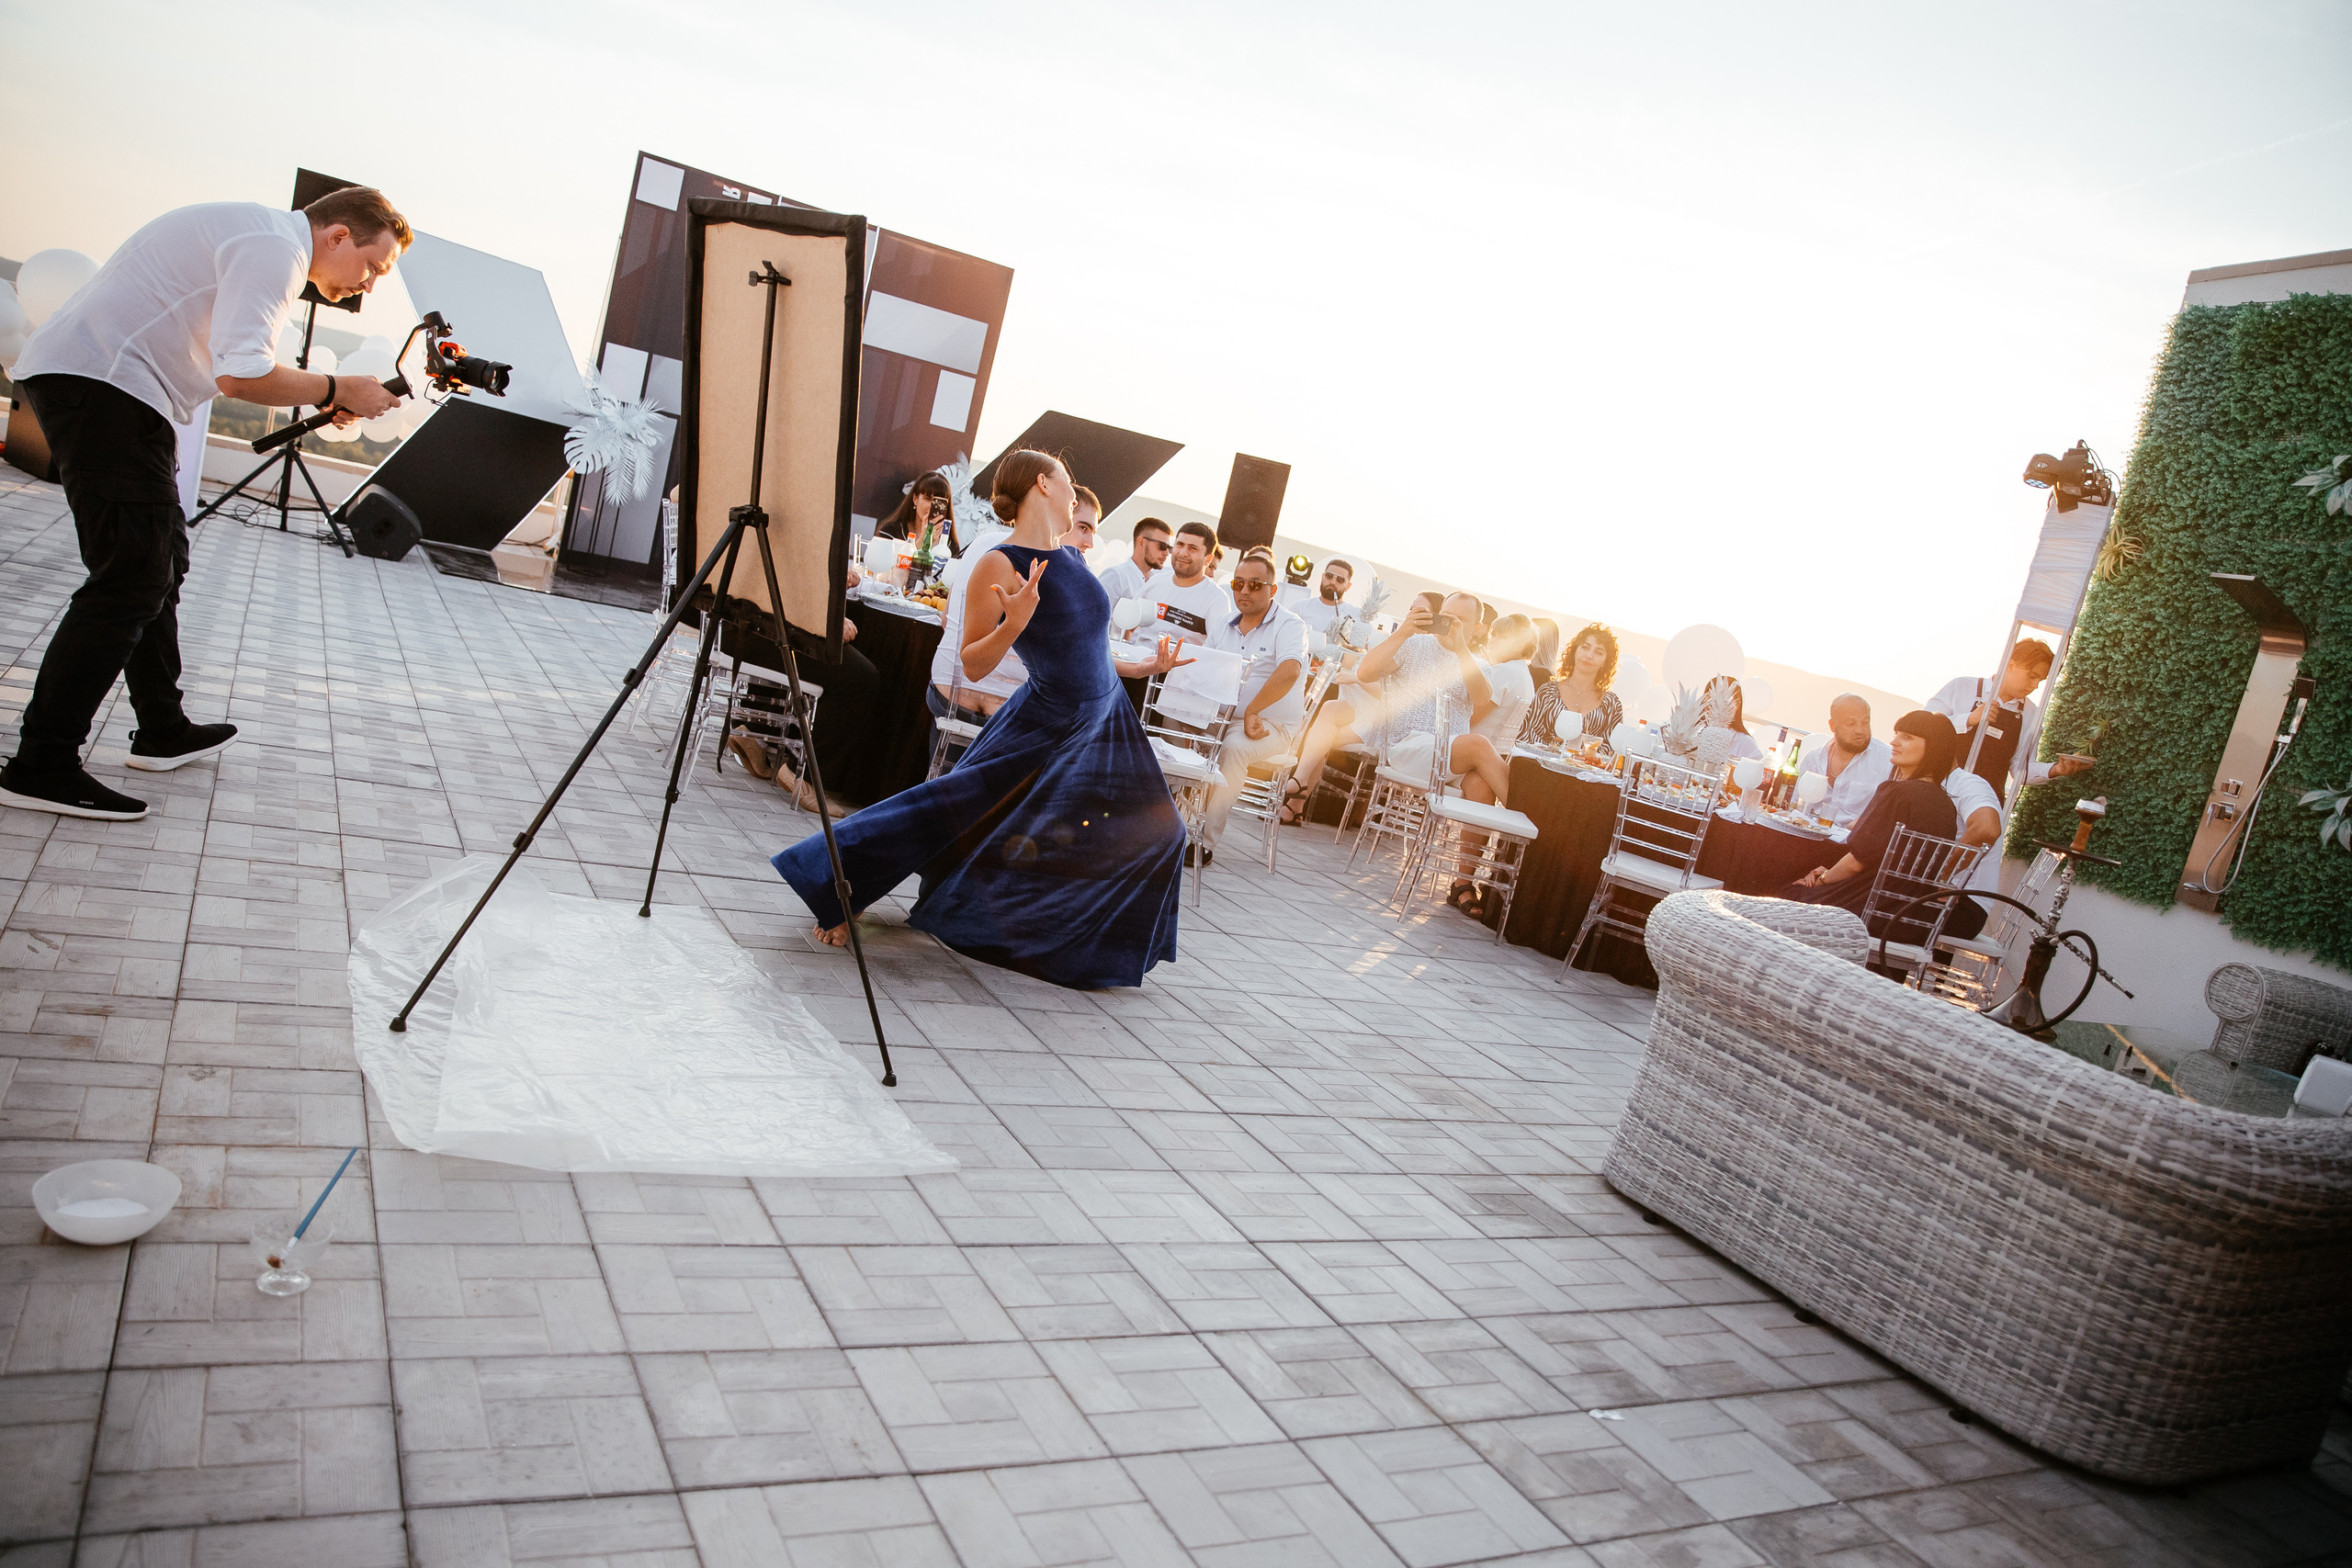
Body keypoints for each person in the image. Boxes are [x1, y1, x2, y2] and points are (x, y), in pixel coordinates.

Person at [0, 188, 409, 820]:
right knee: (130, 576)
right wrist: (339, 385)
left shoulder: (263, 236)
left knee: (162, 561)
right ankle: (40, 763)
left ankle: (161, 729)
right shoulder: (276, 249)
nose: (370, 284)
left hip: (121, 390)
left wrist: (327, 392)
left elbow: (238, 362)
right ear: (337, 236)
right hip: (104, 384)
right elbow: (243, 377)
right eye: (374, 266)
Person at [773, 451, 1190, 987]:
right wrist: (1013, 625)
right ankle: (834, 883)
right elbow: (973, 660)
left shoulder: (1071, 558)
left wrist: (1143, 665)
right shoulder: (1001, 562)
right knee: (949, 809)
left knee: (1163, 834)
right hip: (1052, 722)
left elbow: (1087, 647)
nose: (1073, 494)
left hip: (1108, 721)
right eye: (1069, 482)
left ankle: (1081, 941)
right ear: (1044, 484)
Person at [1288, 590, 1510, 832]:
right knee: (1478, 744)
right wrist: (1404, 631)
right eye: (1446, 616)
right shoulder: (1414, 645)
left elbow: (1481, 698)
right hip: (1407, 745)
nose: (1450, 623)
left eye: (1460, 620)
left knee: (1482, 786)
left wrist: (1461, 650)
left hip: (1446, 757)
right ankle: (1529, 822)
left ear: (1477, 628)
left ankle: (1479, 868)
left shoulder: (1478, 665)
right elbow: (1365, 673)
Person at [1779, 710, 1962, 932]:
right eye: (1897, 734)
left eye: (1907, 737)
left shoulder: (1897, 792)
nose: (1894, 742)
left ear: (1933, 748)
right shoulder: (1947, 807)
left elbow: (1857, 862)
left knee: (1785, 893)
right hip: (1909, 920)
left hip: (1865, 910)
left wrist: (1824, 878)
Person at [1197, 550, 1309, 863]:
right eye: (1238, 583)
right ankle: (1170, 825)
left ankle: (1203, 841)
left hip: (1270, 724)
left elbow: (1290, 671)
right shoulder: (1221, 623)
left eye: (1255, 585)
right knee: (1169, 727)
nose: (1244, 591)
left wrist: (1252, 711)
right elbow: (1204, 667)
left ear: (1273, 590)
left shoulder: (1289, 625)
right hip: (1220, 715)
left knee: (1233, 749)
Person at [1927, 638, 2090, 801]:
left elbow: (2021, 769)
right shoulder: (1961, 687)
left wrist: (2056, 769)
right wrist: (1969, 719)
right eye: (2032, 676)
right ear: (2010, 665)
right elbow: (1921, 727)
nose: (2035, 686)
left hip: (1984, 803)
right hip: (1935, 791)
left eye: (2040, 680)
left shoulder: (2031, 714)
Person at [1518, 622, 1623, 747]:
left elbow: (1612, 748)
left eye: (1598, 652)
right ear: (1574, 651)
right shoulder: (1547, 692)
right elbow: (1526, 735)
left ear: (1606, 662)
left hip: (1586, 766)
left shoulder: (1611, 704)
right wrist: (1552, 747)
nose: (1589, 655)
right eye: (1585, 647)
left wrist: (1582, 750)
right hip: (1539, 764)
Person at [1796, 694, 1893, 829]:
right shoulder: (1813, 758)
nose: (1860, 730)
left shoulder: (1887, 760)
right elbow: (1796, 804)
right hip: (1807, 834)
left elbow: (1890, 816)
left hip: (1852, 844)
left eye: (1865, 722)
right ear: (1832, 725)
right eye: (1851, 724)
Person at [1144, 522, 1232, 647]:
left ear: (1208, 558)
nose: (1183, 553)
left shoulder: (1217, 599)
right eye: (1179, 545)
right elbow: (1127, 625)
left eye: (1193, 548)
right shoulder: (1155, 581)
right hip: (1136, 661)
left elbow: (1217, 650)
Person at [1473, 615, 1538, 750]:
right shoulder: (1524, 674)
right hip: (1499, 752)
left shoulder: (1503, 671)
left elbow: (1470, 718)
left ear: (1520, 645)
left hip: (1474, 749)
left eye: (1502, 637)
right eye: (1493, 634)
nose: (1493, 641)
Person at [1097, 517, 1171, 604]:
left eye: (1169, 548)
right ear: (1141, 542)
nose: (1166, 553)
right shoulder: (1116, 576)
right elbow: (1097, 615)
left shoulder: (1159, 579)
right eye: (1162, 546)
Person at [1278, 557, 1353, 640]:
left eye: (1340, 580)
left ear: (1348, 586)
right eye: (1329, 576)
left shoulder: (1355, 616)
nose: (1333, 582)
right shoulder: (1300, 607)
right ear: (1323, 576)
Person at [876, 469, 954, 541]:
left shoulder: (950, 545)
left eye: (939, 502)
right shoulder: (891, 531)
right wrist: (925, 539)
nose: (932, 506)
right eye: (927, 498)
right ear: (915, 499)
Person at [1708, 677, 1765, 761]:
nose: (1713, 706)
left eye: (1725, 702)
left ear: (1737, 704)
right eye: (1710, 701)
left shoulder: (1746, 743)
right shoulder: (1696, 735)